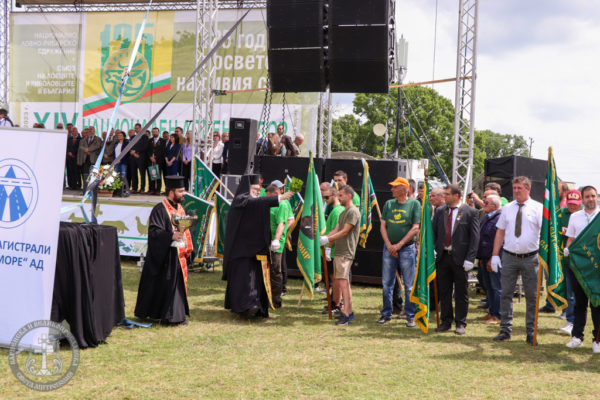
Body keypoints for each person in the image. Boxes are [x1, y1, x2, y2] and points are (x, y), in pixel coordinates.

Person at [223, 174, 294, 318]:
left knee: (257, 280)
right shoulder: (240, 200)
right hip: (241, 251)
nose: (258, 191)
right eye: (255, 189)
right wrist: (279, 198)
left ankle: (257, 306)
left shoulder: (256, 202)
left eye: (258, 189)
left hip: (256, 249)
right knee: (244, 281)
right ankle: (245, 307)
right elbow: (256, 202)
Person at [134, 176, 194, 325]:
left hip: (178, 256)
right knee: (164, 286)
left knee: (176, 287)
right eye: (180, 191)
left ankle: (176, 316)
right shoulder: (160, 209)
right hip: (165, 258)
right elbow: (154, 233)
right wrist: (171, 236)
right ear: (171, 192)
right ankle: (169, 317)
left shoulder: (180, 209)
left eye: (184, 191)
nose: (183, 194)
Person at [491, 176, 543, 344]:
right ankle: (505, 330)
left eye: (519, 188)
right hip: (509, 256)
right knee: (506, 294)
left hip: (531, 257)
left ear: (528, 189)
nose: (516, 191)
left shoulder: (538, 208)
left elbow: (545, 233)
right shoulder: (507, 208)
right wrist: (494, 254)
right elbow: (500, 231)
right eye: (514, 188)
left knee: (532, 296)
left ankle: (531, 332)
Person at [432, 184, 479, 335]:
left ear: (456, 196)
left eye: (447, 194)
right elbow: (434, 232)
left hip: (461, 258)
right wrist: (433, 250)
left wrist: (470, 258)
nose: (444, 196)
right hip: (443, 257)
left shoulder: (470, 212)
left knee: (461, 292)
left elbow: (474, 238)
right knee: (444, 291)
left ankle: (460, 323)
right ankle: (446, 321)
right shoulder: (440, 211)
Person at [377, 177, 420, 327]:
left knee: (409, 285)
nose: (392, 189)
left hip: (407, 248)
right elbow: (383, 226)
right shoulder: (389, 204)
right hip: (389, 248)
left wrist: (399, 245)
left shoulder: (414, 204)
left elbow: (415, 228)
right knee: (387, 283)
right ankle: (386, 313)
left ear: (404, 189)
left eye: (395, 187)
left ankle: (410, 316)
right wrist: (389, 245)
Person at [564, 186, 600, 353]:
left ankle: (597, 340)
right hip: (578, 266)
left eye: (593, 196)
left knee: (597, 304)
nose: (590, 199)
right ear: (582, 199)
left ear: (597, 197)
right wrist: (567, 249)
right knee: (580, 303)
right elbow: (571, 238)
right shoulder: (575, 216)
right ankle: (577, 336)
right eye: (587, 196)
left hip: (596, 268)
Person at [320, 185, 361, 326]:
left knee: (344, 283)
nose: (339, 197)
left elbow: (344, 231)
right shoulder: (343, 212)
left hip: (346, 251)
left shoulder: (353, 211)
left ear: (349, 196)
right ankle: (347, 312)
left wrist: (327, 239)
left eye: (341, 195)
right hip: (339, 251)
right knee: (342, 281)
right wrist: (327, 243)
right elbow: (337, 229)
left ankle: (347, 313)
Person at [557, 190, 582, 335]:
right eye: (570, 204)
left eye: (575, 204)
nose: (573, 206)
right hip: (566, 256)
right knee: (570, 291)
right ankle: (570, 320)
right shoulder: (562, 213)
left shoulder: (586, 215)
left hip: (582, 258)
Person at [265, 184, 292, 308]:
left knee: (275, 271)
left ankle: (275, 300)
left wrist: (276, 239)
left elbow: (281, 223)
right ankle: (267, 296)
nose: (267, 199)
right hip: (266, 241)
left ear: (275, 194)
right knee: (268, 271)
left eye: (269, 197)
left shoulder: (282, 204)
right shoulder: (271, 203)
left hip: (276, 243)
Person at [477, 194, 502, 325]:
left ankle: (498, 315)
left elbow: (497, 240)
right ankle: (491, 312)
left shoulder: (499, 218)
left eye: (486, 203)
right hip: (485, 256)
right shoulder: (487, 217)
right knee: (489, 287)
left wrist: (493, 257)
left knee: (496, 287)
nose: (484, 205)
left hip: (495, 257)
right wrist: (482, 257)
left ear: (495, 206)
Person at [321, 185, 345, 314]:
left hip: (335, 250)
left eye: (326, 197)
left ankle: (337, 304)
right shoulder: (335, 210)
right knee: (333, 278)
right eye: (323, 197)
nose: (325, 200)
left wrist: (328, 246)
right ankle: (335, 302)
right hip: (333, 249)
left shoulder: (337, 211)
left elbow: (336, 230)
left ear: (334, 195)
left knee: (336, 279)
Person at [129, 127, 149, 194]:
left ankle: (142, 188)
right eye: (135, 128)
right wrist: (133, 153)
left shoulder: (144, 137)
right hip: (133, 158)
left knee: (142, 174)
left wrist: (136, 151)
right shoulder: (133, 137)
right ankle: (134, 188)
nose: (136, 129)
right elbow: (129, 146)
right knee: (133, 173)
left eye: (137, 128)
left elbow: (145, 147)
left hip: (141, 157)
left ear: (140, 128)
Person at [148, 127, 166, 195]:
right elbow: (148, 150)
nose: (154, 133)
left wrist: (156, 157)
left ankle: (158, 190)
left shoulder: (162, 141)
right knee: (152, 175)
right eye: (153, 132)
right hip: (151, 160)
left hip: (159, 160)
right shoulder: (150, 140)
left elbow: (162, 151)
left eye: (156, 131)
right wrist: (150, 157)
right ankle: (152, 189)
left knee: (158, 175)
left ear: (158, 132)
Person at [113, 130, 130, 197]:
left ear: (124, 137)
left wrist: (120, 159)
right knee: (117, 176)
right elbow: (114, 153)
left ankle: (125, 191)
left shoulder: (126, 143)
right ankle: (118, 190)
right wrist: (115, 160)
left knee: (123, 176)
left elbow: (126, 153)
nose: (119, 136)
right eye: (118, 135)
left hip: (123, 162)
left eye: (121, 135)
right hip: (116, 162)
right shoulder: (116, 143)